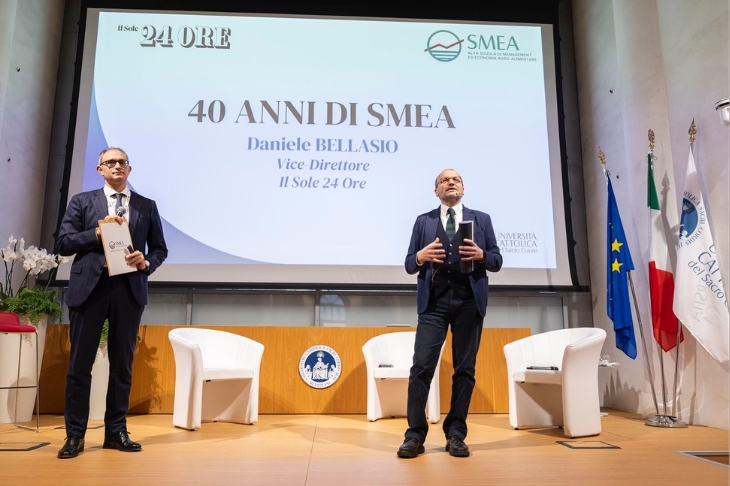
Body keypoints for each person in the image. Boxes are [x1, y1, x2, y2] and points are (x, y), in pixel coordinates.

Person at [55, 147, 168, 459]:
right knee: (80, 366)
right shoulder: (82, 202)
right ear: (100, 169)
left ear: (129, 169)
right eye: (110, 162)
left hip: (128, 289)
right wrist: (96, 232)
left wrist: (146, 261)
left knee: (122, 365)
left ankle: (116, 432)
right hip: (89, 289)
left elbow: (160, 249)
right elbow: (63, 243)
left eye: (122, 162)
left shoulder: (146, 205)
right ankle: (75, 436)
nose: (117, 166)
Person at [397, 169, 502, 459]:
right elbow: (409, 263)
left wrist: (482, 255)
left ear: (463, 188)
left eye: (456, 179)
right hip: (434, 303)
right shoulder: (424, 221)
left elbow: (496, 260)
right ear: (436, 191)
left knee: (465, 370)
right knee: (421, 369)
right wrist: (421, 257)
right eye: (444, 180)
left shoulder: (482, 220)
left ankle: (456, 433)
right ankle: (414, 435)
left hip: (469, 302)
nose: (451, 182)